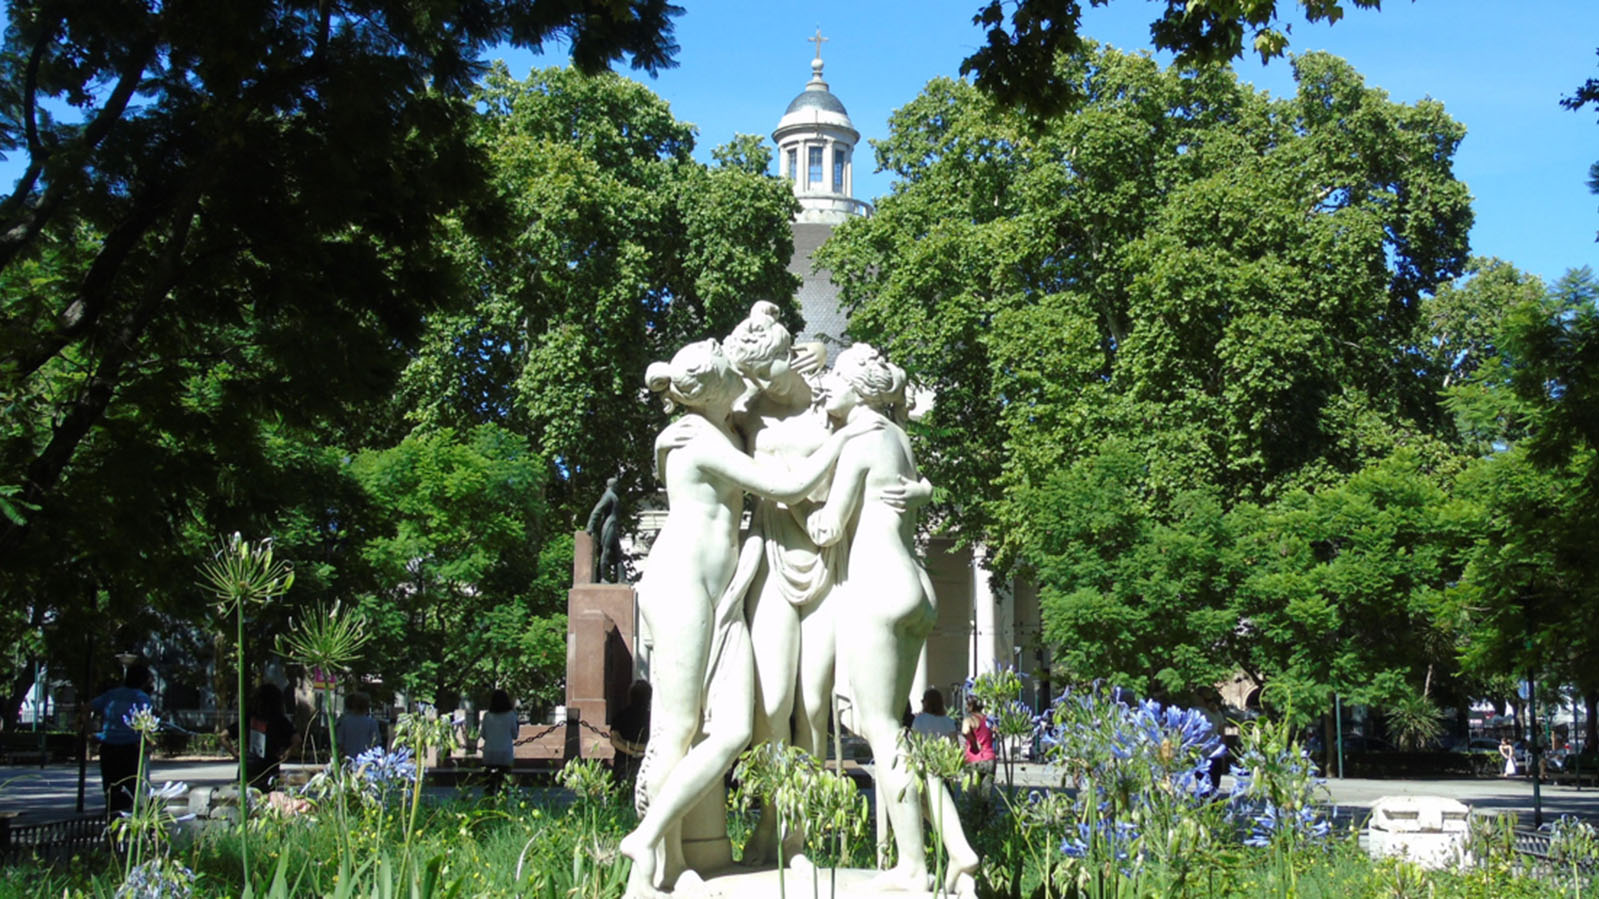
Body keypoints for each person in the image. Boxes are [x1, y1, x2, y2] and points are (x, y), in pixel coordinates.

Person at [618, 338, 880, 898]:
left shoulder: (723, 425)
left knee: (735, 727)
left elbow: (776, 379)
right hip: (684, 583)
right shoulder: (693, 437)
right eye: (722, 356)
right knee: (680, 727)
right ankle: (658, 861)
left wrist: (802, 360)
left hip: (726, 591)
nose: (733, 360)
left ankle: (671, 840)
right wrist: (853, 438)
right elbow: (785, 485)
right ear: (715, 386)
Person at [805, 343, 979, 895]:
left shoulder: (858, 439)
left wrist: (794, 506)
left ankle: (912, 866)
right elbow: (918, 487)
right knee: (893, 733)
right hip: (916, 584)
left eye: (835, 377)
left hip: (878, 582)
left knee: (879, 732)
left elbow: (829, 526)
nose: (826, 385)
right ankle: (959, 850)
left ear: (860, 388)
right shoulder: (898, 435)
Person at [91, 664, 155, 816]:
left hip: (108, 746)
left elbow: (88, 707)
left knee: (111, 787)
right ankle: (133, 819)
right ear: (143, 681)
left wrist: (90, 732)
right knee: (133, 786)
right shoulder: (141, 697)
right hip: (130, 747)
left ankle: (112, 819)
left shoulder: (111, 695)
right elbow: (146, 721)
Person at [224, 683, 301, 791]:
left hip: (248, 765)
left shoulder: (249, 718)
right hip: (269, 766)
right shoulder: (279, 720)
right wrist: (287, 753)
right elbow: (297, 739)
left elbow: (223, 736)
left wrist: (235, 753)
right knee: (267, 800)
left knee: (246, 798)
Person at [609, 680, 652, 789]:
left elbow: (614, 740)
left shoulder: (620, 716)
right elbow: (652, 744)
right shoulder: (652, 719)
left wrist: (630, 749)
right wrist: (640, 751)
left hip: (623, 764)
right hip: (646, 762)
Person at [479, 689, 519, 795]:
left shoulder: (487, 716)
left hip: (489, 753)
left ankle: (488, 806)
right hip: (505, 754)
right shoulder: (511, 715)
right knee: (504, 786)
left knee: (489, 787)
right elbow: (515, 735)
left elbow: (483, 735)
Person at [961, 696, 997, 795]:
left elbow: (965, 731)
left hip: (974, 757)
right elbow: (995, 733)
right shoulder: (988, 720)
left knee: (973, 794)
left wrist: (973, 741)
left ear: (971, 706)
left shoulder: (969, 720)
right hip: (989, 758)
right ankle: (985, 809)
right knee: (986, 794)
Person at [333, 692, 382, 760]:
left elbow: (339, 744)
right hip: (367, 761)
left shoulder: (343, 722)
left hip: (348, 760)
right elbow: (376, 744)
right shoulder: (372, 723)